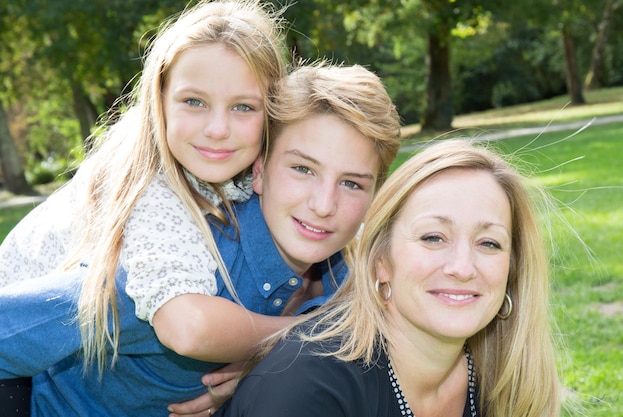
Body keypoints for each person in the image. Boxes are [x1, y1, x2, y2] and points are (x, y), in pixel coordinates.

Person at [0, 61, 402, 416]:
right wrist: (293, 342)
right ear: (258, 170)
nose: (324, 204)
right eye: (302, 169)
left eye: (351, 183)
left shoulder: (354, 280)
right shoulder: (175, 268)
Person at [0, 0, 287, 413]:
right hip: (17, 361)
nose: (218, 129)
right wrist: (296, 338)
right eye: (194, 102)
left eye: (243, 106)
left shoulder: (248, 172)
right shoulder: (151, 189)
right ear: (160, 99)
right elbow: (186, 327)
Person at [213, 139, 564, 417]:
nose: (462, 267)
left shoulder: (504, 380)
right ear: (381, 262)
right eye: (433, 237)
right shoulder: (305, 387)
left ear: (511, 270)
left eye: (489, 243)